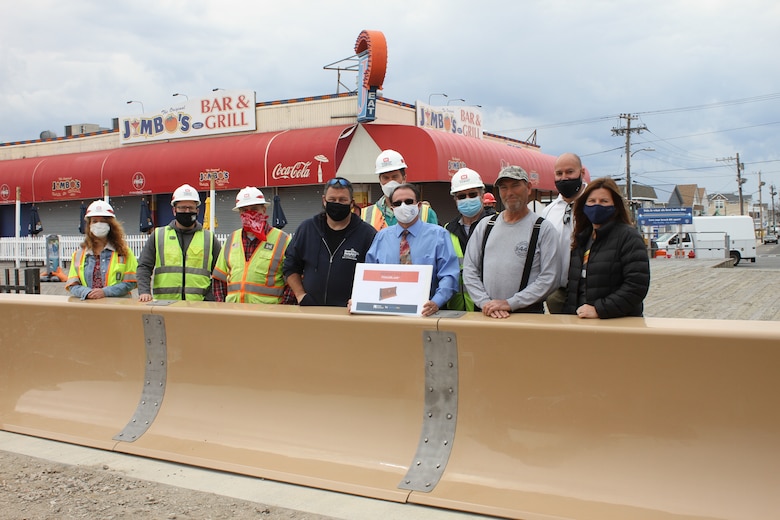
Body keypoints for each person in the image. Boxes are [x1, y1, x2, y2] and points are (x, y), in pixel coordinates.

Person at [462, 165, 561, 318]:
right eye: (503, 187)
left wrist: (511, 303)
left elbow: (550, 278)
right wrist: (486, 303)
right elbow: (469, 270)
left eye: (515, 186)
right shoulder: (486, 226)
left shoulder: (543, 229)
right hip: (487, 314)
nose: (509, 192)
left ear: (528, 188)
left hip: (527, 316)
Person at [365, 183, 459, 317]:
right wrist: (360, 299)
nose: (403, 206)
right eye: (397, 203)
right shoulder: (381, 237)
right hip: (387, 313)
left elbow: (449, 275)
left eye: (409, 202)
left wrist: (436, 302)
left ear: (419, 205)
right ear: (392, 208)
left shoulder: (439, 235)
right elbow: (370, 277)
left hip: (427, 313)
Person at [563, 177, 650, 318]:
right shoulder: (582, 238)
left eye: (604, 201)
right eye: (592, 201)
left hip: (617, 324)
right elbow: (573, 286)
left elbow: (636, 287)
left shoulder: (628, 237)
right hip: (581, 323)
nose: (597, 206)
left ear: (615, 206)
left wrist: (599, 309)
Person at [283, 177, 376, 307]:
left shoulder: (367, 234)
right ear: (324, 200)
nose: (337, 203)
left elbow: (374, 275)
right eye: (332, 200)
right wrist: (300, 295)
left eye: (342, 200)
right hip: (311, 311)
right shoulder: (307, 229)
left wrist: (360, 301)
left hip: (349, 314)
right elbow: (290, 265)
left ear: (352, 203)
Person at [136, 184, 222, 302]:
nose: (187, 211)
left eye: (191, 208)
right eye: (182, 208)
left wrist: (210, 297)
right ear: (174, 210)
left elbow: (221, 273)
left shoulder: (209, 238)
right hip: (165, 305)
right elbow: (144, 266)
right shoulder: (158, 235)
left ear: (197, 211)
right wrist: (144, 291)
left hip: (199, 305)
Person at [212, 186, 292, 303]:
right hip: (235, 314)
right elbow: (219, 279)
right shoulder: (231, 240)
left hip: (268, 315)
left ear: (264, 210)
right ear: (239, 213)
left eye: (254, 209)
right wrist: (222, 307)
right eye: (244, 210)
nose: (249, 213)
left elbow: (293, 281)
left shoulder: (283, 240)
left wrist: (284, 310)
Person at [542, 152, 588, 313]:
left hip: (589, 292)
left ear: (582, 173)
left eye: (570, 172)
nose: (564, 178)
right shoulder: (548, 212)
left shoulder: (595, 205)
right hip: (557, 294)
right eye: (559, 173)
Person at [65, 200, 137, 299]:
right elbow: (72, 284)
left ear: (110, 224)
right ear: (89, 225)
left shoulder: (124, 252)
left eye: (103, 221)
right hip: (90, 308)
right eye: (94, 221)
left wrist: (105, 292)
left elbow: (131, 282)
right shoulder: (78, 255)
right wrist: (88, 293)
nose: (99, 224)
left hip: (118, 308)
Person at [443, 168, 493, 311]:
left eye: (472, 194)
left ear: (482, 195)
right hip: (456, 308)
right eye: (461, 196)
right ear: (455, 199)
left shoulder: (495, 226)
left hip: (488, 307)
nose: (467, 199)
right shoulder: (448, 229)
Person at [361, 149, 438, 231]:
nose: (390, 182)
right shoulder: (366, 215)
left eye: (394, 177)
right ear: (380, 181)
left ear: (404, 178)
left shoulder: (425, 213)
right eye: (386, 178)